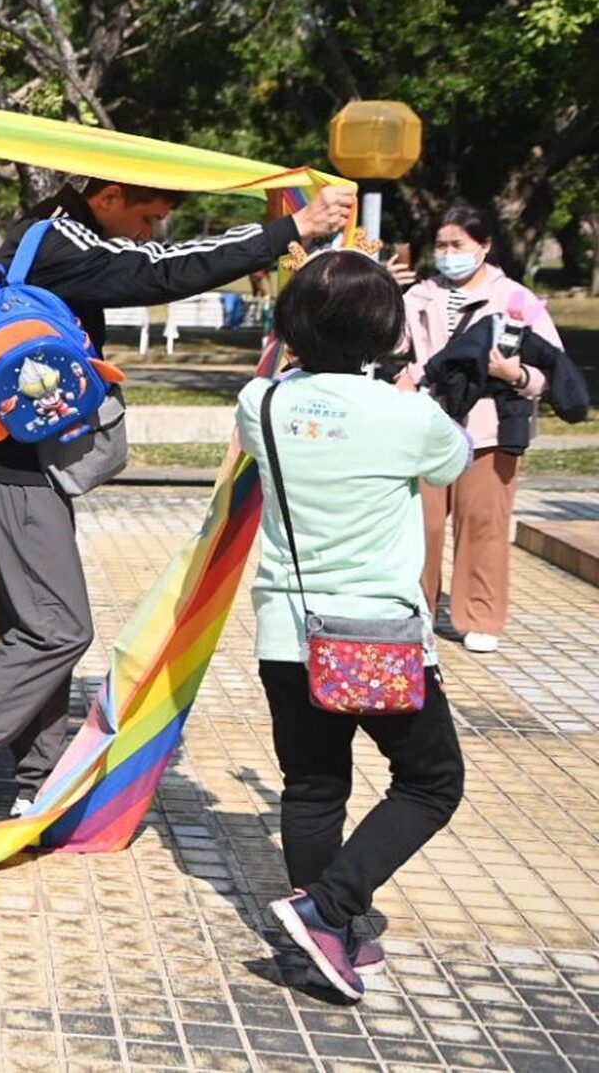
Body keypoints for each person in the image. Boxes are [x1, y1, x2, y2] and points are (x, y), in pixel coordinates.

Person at [0, 177, 358, 828]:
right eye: (148, 215)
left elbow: (154, 261)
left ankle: (38, 782)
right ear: (107, 195)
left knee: (36, 626)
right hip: (11, 472)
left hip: (19, 469)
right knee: (58, 629)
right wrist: (287, 231)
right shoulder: (58, 239)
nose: (149, 232)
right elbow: (161, 271)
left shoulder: (49, 240)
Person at [235, 250, 469, 1002]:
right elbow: (454, 461)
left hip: (287, 630)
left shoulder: (259, 403)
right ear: (386, 331)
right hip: (379, 637)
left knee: (312, 786)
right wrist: (404, 386)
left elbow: (288, 394)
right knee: (432, 781)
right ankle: (328, 909)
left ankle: (324, 940)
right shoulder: (409, 415)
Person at [399, 203, 564, 655]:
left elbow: (552, 367)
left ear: (484, 245)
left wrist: (517, 375)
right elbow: (391, 345)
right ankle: (414, 610)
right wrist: (383, 290)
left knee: (484, 525)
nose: (448, 254)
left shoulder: (516, 299)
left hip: (491, 429)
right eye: (441, 245)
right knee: (419, 525)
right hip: (426, 425)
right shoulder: (418, 296)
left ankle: (480, 616)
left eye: (458, 244)